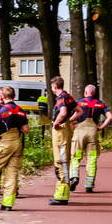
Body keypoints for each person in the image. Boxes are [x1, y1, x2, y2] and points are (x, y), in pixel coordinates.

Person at [70, 84, 112, 193]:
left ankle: (74, 177)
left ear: (85, 92)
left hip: (79, 132)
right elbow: (110, 117)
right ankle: (89, 185)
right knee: (92, 158)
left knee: (76, 156)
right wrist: (101, 127)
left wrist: (72, 126)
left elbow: (69, 117)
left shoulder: (78, 102)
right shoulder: (100, 104)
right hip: (93, 132)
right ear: (94, 93)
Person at [48, 76, 78, 205]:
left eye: (51, 87)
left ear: (55, 87)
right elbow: (79, 111)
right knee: (64, 160)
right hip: (66, 129)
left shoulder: (61, 98)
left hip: (60, 131)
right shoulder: (68, 96)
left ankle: (62, 195)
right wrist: (68, 121)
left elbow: (63, 112)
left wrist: (57, 122)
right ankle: (61, 193)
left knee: (61, 161)